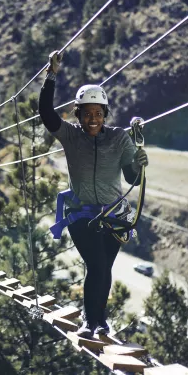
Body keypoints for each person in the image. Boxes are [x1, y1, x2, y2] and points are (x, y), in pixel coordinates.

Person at [38, 50, 149, 339]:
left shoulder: (119, 138)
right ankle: (90, 322)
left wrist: (139, 163)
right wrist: (51, 74)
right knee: (97, 265)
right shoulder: (70, 135)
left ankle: (100, 323)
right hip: (82, 216)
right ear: (78, 114)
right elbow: (46, 113)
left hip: (115, 217)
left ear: (105, 115)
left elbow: (132, 179)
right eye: (87, 114)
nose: (93, 119)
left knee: (103, 269)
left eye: (98, 114)